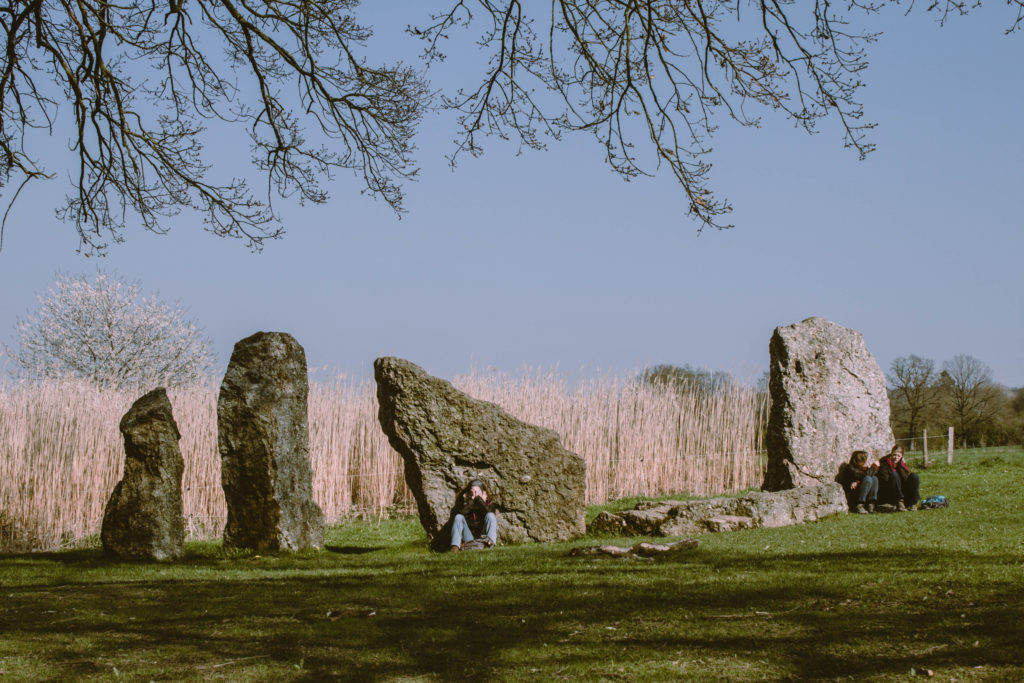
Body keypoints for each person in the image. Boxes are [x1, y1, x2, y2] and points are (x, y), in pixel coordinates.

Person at [449, 479, 498, 552]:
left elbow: (491, 513)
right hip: (469, 537)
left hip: (483, 537)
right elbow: (460, 515)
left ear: (483, 492)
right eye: (472, 491)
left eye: (477, 492)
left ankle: (490, 544)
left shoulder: (488, 504)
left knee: (490, 515)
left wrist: (481, 501)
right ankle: (455, 547)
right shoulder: (464, 504)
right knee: (458, 517)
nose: (475, 494)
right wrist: (468, 503)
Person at [877, 445, 920, 511]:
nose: (896, 457)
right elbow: (885, 480)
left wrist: (900, 466)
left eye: (898, 456)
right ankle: (899, 502)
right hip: (890, 492)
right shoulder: (884, 463)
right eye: (894, 455)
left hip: (902, 491)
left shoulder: (901, 465)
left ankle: (913, 503)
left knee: (914, 476)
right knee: (894, 475)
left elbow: (905, 479)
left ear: (901, 456)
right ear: (891, 454)